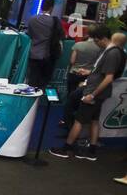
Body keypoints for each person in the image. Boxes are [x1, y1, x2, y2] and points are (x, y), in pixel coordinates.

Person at [50, 31, 126, 161]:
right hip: (97, 91)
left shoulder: (113, 53)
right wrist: (89, 72)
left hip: (94, 92)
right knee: (94, 121)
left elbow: (108, 77)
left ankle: (67, 148)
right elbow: (104, 73)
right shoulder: (117, 53)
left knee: (79, 120)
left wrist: (92, 94)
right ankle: (91, 151)